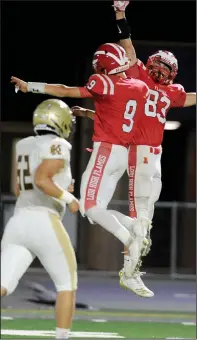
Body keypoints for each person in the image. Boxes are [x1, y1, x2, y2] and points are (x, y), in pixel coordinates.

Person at [11, 42, 152, 283]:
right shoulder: (138, 87)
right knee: (95, 210)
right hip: (123, 153)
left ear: (103, 66)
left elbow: (65, 91)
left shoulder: (103, 82)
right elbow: (116, 117)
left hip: (106, 151)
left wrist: (30, 87)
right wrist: (87, 114)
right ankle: (135, 225)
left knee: (89, 207)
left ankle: (131, 238)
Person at [112, 0, 196, 290]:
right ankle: (128, 272)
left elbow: (191, 98)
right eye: (156, 67)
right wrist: (120, 14)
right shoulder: (138, 78)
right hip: (139, 152)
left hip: (154, 156)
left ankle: (132, 268)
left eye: (164, 69)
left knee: (146, 217)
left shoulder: (172, 92)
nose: (159, 73)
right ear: (149, 66)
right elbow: (128, 47)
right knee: (139, 216)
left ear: (171, 74)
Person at [1, 99, 79, 340]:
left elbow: (18, 187)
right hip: (44, 220)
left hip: (18, 221)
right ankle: (62, 338)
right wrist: (69, 198)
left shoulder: (24, 144)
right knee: (67, 283)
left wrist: (62, 185)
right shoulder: (59, 144)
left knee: (4, 284)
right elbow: (42, 179)